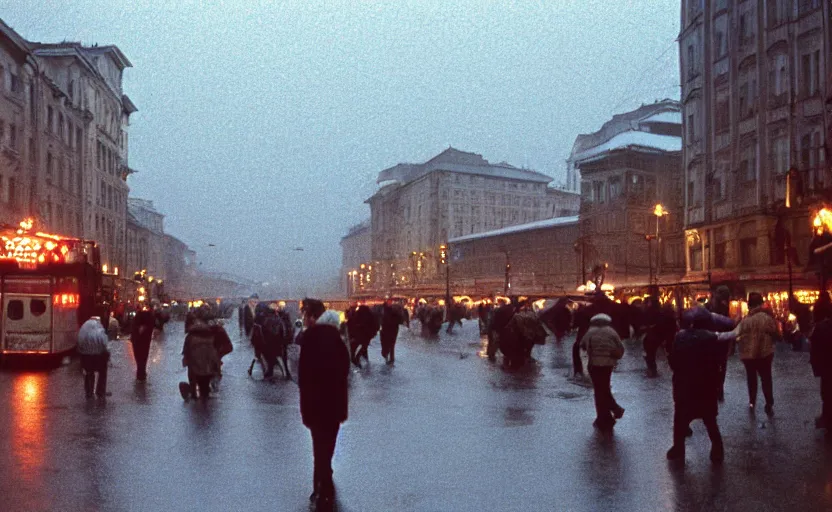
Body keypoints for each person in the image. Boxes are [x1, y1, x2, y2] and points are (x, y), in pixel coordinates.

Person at [298, 298, 350, 508]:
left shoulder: (308, 339)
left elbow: (302, 376)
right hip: (335, 402)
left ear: (312, 316)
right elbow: (345, 369)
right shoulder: (338, 339)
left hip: (315, 403)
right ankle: (324, 484)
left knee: (318, 448)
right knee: (328, 446)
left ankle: (321, 489)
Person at [666, 308, 734, 464]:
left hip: (683, 384)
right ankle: (717, 449)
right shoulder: (712, 338)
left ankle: (678, 449)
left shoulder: (680, 337)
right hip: (705, 384)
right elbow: (718, 362)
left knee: (680, 419)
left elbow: (673, 361)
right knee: (709, 419)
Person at [735, 292, 779, 415]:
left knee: (751, 378)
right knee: (766, 378)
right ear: (761, 303)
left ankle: (752, 401)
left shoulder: (745, 321)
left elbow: (737, 335)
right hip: (765, 353)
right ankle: (769, 403)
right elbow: (777, 334)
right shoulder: (767, 318)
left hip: (749, 355)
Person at [580, 313, 625, 431]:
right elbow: (620, 347)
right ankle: (608, 414)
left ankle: (606, 415)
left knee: (599, 391)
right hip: (608, 365)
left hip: (594, 365)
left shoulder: (590, 331)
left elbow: (583, 345)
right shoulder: (611, 332)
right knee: (604, 389)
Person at [179, 316, 221, 401]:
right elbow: (214, 353)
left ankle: (194, 395)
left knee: (193, 379)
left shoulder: (190, 337)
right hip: (207, 367)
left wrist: (186, 360)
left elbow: (186, 350)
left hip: (195, 365)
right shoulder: (210, 337)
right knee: (205, 386)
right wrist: (217, 367)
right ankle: (205, 398)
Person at [810, 292, 832, 435]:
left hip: (827, 368)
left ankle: (828, 422)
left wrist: (817, 369)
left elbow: (815, 351)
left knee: (828, 394)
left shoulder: (820, 328)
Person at [78, 316, 110, 398]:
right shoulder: (99, 327)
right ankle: (100, 391)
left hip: (86, 356)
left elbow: (80, 341)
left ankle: (89, 392)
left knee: (89, 373)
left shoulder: (84, 327)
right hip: (99, 356)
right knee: (102, 372)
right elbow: (104, 342)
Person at [131, 306, 155, 381]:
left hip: (137, 342)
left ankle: (140, 373)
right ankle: (142, 372)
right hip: (144, 342)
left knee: (139, 357)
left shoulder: (137, 321)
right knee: (143, 357)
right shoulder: (149, 321)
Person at [380, 300, 403, 364]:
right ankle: (390, 358)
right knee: (391, 345)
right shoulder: (394, 313)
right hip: (393, 330)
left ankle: (388, 357)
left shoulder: (388, 312)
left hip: (388, 330)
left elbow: (386, 322)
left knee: (387, 344)